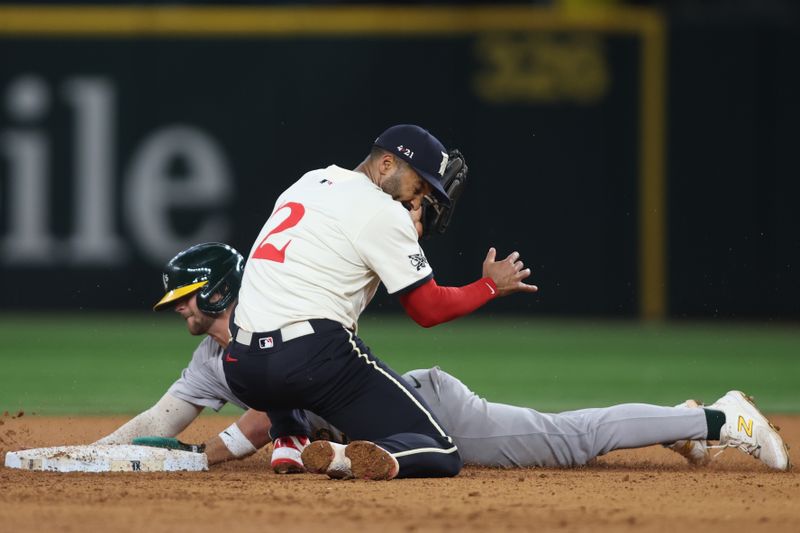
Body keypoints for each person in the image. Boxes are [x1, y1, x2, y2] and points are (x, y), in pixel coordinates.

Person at [96, 242, 791, 473]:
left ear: (217, 290)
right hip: (372, 431)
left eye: (186, 299)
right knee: (568, 438)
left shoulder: (275, 316)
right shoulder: (211, 361)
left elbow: (255, 426)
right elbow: (164, 413)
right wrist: (94, 452)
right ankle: (673, 418)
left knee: (568, 441)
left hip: (426, 412)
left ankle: (716, 417)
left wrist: (195, 456)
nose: (180, 311)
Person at [223, 124, 542, 480]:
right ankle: (342, 456)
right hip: (309, 363)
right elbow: (428, 309)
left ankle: (289, 437)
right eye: (418, 185)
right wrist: (489, 287)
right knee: (440, 451)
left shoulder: (310, 181)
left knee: (277, 327)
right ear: (387, 164)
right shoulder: (382, 211)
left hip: (242, 366)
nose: (418, 200)